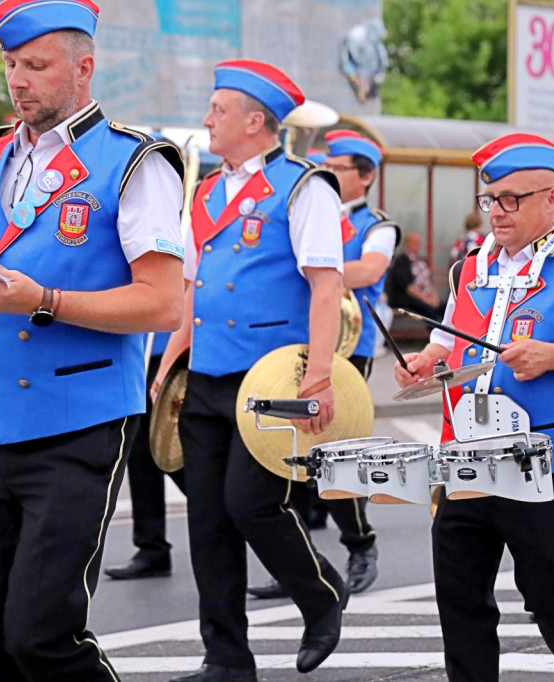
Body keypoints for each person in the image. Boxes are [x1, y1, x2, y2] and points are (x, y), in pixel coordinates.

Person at [0, 1, 185, 678]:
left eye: (36, 66)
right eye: (11, 63)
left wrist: (42, 300)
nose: (18, 80)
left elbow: (162, 304)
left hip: (78, 422)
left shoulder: (136, 161)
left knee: (42, 637)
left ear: (84, 67)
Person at [395, 133, 554, 681]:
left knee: (551, 594)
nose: (498, 211)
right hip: (466, 457)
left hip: (543, 462)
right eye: (492, 198)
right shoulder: (471, 266)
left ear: (553, 197)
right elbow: (457, 339)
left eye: (513, 199)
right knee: (460, 598)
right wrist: (429, 360)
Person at [164, 60, 348, 682]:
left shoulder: (304, 187)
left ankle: (321, 594)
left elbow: (326, 287)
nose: (207, 120)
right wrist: (171, 353)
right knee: (208, 520)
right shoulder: (208, 190)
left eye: (218, 110)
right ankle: (225, 658)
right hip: (208, 375)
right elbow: (193, 285)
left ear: (254, 120)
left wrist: (318, 376)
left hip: (271, 381)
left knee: (251, 504)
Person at [255, 130, 397, 599]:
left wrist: (316, 267)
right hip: (299, 340)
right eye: (327, 166)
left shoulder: (378, 224)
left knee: (335, 453)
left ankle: (361, 543)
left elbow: (370, 270)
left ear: (367, 176)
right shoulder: (305, 206)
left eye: (339, 169)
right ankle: (294, 562)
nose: (329, 174)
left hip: (348, 345)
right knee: (282, 451)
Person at [103, 331, 187, 580]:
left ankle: (222, 509)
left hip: (171, 349)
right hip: (136, 349)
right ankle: (151, 547)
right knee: (139, 452)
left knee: (171, 448)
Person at [386, 231, 442, 319]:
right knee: (429, 310)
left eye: (418, 242)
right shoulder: (401, 260)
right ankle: (436, 331)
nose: (417, 245)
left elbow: (429, 280)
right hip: (407, 298)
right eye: (414, 243)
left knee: (445, 307)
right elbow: (407, 287)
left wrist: (434, 297)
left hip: (425, 296)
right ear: (407, 244)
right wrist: (425, 299)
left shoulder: (422, 259)